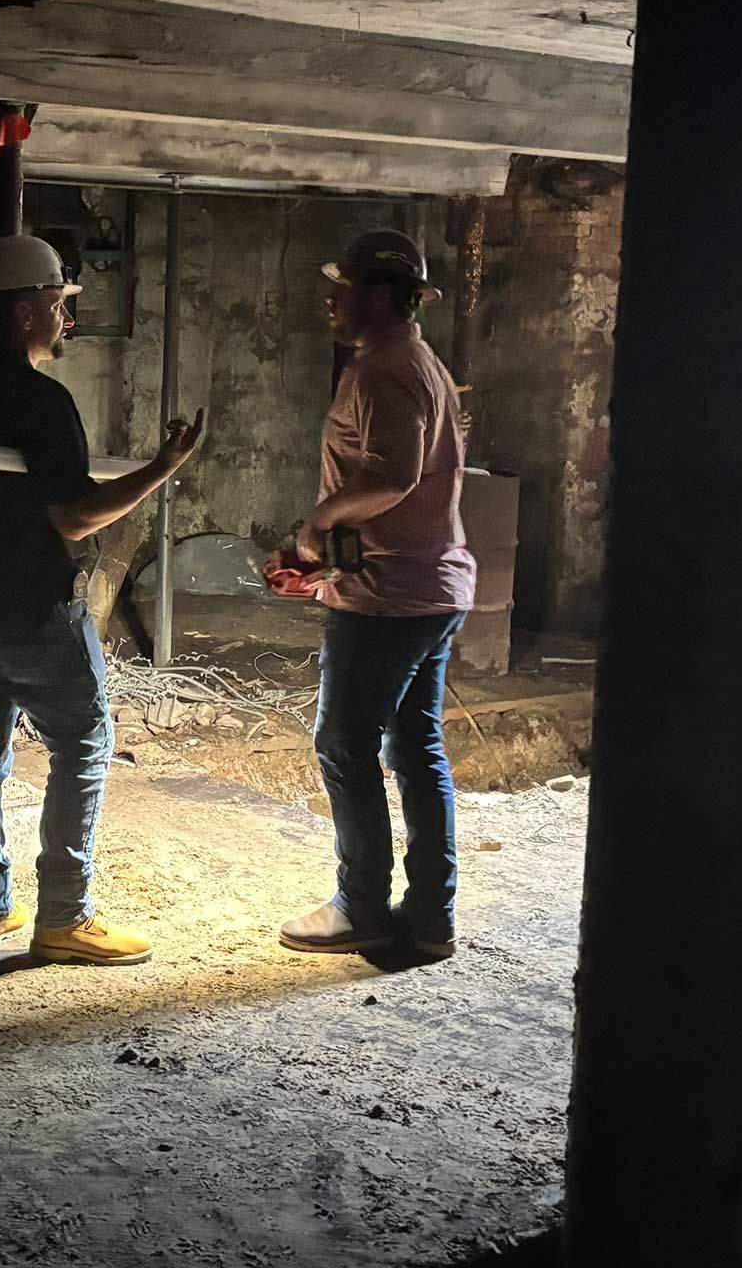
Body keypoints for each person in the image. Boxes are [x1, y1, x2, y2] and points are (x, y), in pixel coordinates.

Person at [0, 233, 205, 961]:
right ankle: (65, 917)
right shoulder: (44, 403)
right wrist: (161, 468)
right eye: (57, 304)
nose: (67, 319)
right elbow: (74, 516)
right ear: (22, 313)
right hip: (36, 610)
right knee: (84, 742)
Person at [279, 229, 476, 960]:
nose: (334, 297)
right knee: (416, 746)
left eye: (349, 284)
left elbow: (392, 475)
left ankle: (362, 903)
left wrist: (317, 524)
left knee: (344, 743)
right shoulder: (418, 363)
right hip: (427, 584)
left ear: (385, 295)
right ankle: (428, 916)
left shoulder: (383, 369)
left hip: (390, 594)